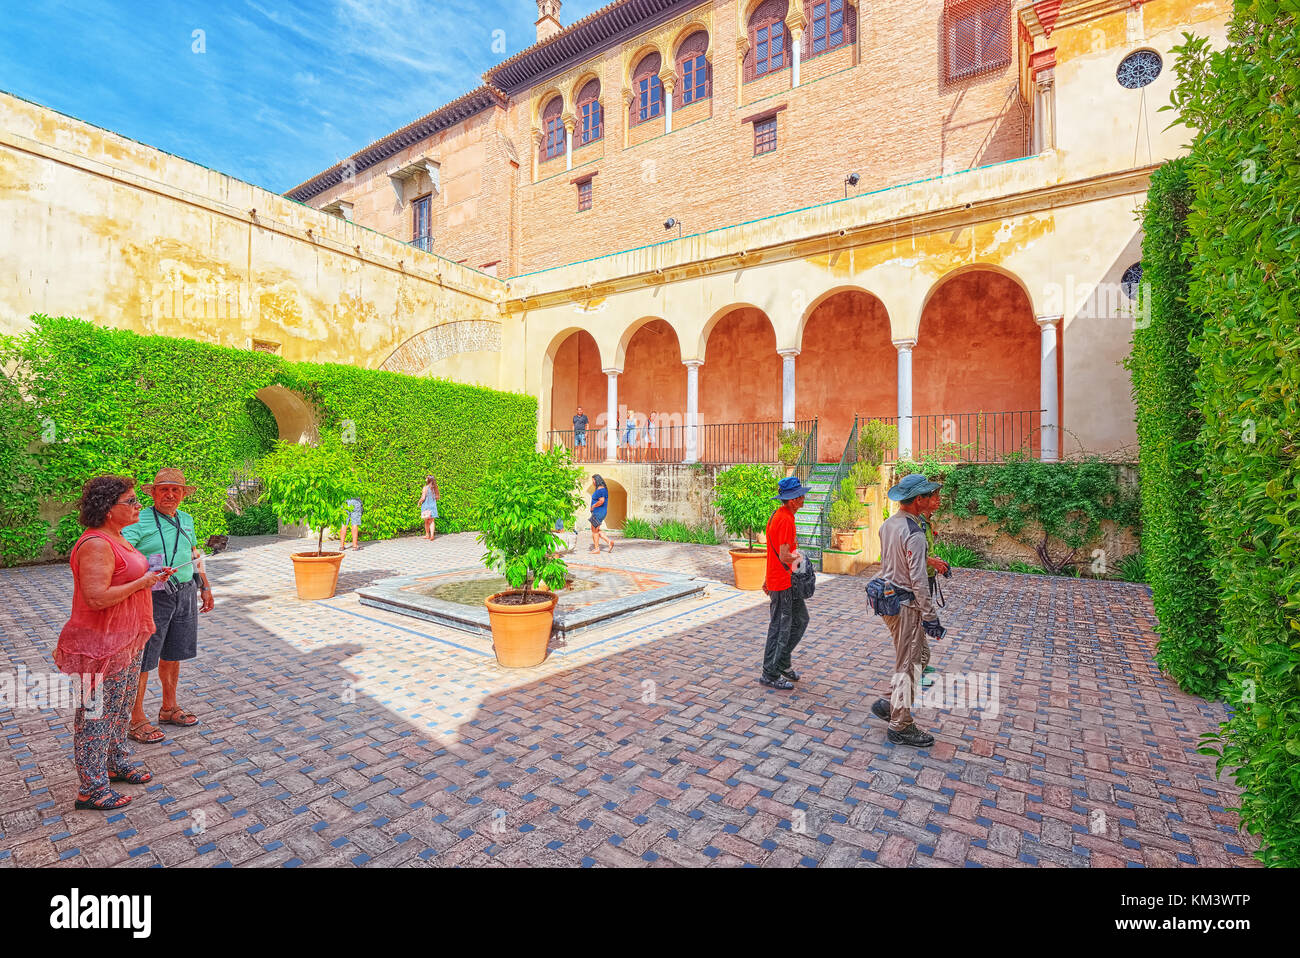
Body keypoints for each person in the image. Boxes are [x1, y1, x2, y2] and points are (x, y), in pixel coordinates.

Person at [56, 475, 174, 810]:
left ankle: (116, 761)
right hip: (101, 644)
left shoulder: (116, 537)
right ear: (109, 509)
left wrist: (148, 578)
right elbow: (95, 598)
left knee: (120, 709)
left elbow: (125, 577)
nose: (139, 505)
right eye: (132, 501)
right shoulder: (95, 544)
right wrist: (143, 582)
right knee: (96, 715)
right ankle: (91, 789)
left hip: (126, 639)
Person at [124, 469, 214, 744]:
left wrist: (205, 586)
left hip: (184, 591)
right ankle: (136, 717)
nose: (170, 495)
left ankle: (168, 707)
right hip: (152, 594)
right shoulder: (139, 519)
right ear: (152, 493)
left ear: (184, 495)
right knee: (144, 657)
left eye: (176, 490)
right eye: (164, 489)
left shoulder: (186, 519)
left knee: (174, 652)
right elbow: (123, 556)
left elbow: (194, 554)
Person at [869, 473, 947, 747]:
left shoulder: (890, 524)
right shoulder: (914, 532)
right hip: (906, 606)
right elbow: (917, 581)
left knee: (919, 656)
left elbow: (899, 559)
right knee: (910, 665)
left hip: (889, 601)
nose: (934, 499)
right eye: (929, 495)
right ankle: (900, 725)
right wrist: (930, 618)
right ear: (917, 500)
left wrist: (929, 560)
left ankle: (892, 705)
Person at [760, 476, 813, 690]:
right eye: (801, 496)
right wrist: (802, 560)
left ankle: (781, 662)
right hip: (783, 582)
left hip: (780, 579)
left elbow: (774, 552)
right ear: (792, 500)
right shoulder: (786, 519)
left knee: (800, 620)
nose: (803, 498)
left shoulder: (779, 515)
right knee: (780, 628)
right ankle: (770, 673)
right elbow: (783, 555)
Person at [588, 474, 613, 553]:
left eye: (593, 480)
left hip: (598, 512)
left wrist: (593, 506)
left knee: (594, 531)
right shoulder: (603, 489)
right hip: (600, 512)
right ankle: (609, 542)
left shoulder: (600, 490)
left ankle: (596, 549)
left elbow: (601, 501)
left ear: (597, 480)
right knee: (596, 529)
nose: (593, 482)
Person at [419, 475, 439, 540]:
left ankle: (427, 534)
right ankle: (432, 535)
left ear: (428, 480)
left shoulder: (425, 488)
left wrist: (419, 502)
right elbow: (437, 498)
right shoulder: (435, 488)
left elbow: (423, 498)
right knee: (432, 521)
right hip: (433, 506)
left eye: (426, 478)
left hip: (426, 506)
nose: (425, 479)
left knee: (426, 521)